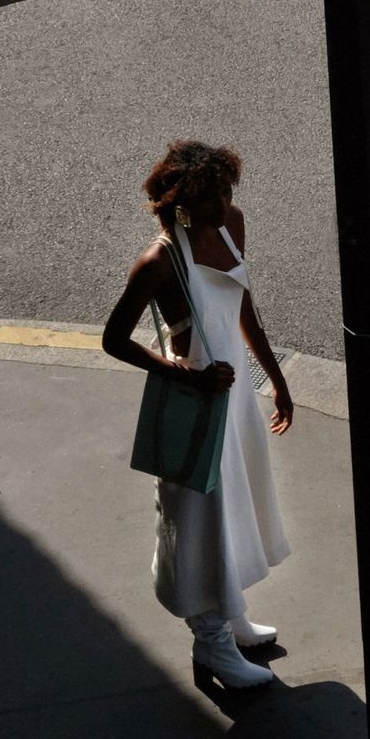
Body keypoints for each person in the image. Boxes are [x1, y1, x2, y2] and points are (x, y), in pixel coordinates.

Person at [102, 141, 294, 689]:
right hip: (199, 401)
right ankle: (210, 644)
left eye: (226, 192)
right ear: (184, 203)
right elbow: (114, 340)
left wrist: (274, 380)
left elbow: (243, 303)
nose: (225, 204)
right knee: (199, 518)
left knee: (233, 506)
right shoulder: (160, 261)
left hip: (234, 398)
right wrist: (186, 376)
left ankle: (230, 616)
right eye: (212, 197)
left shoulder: (231, 222)